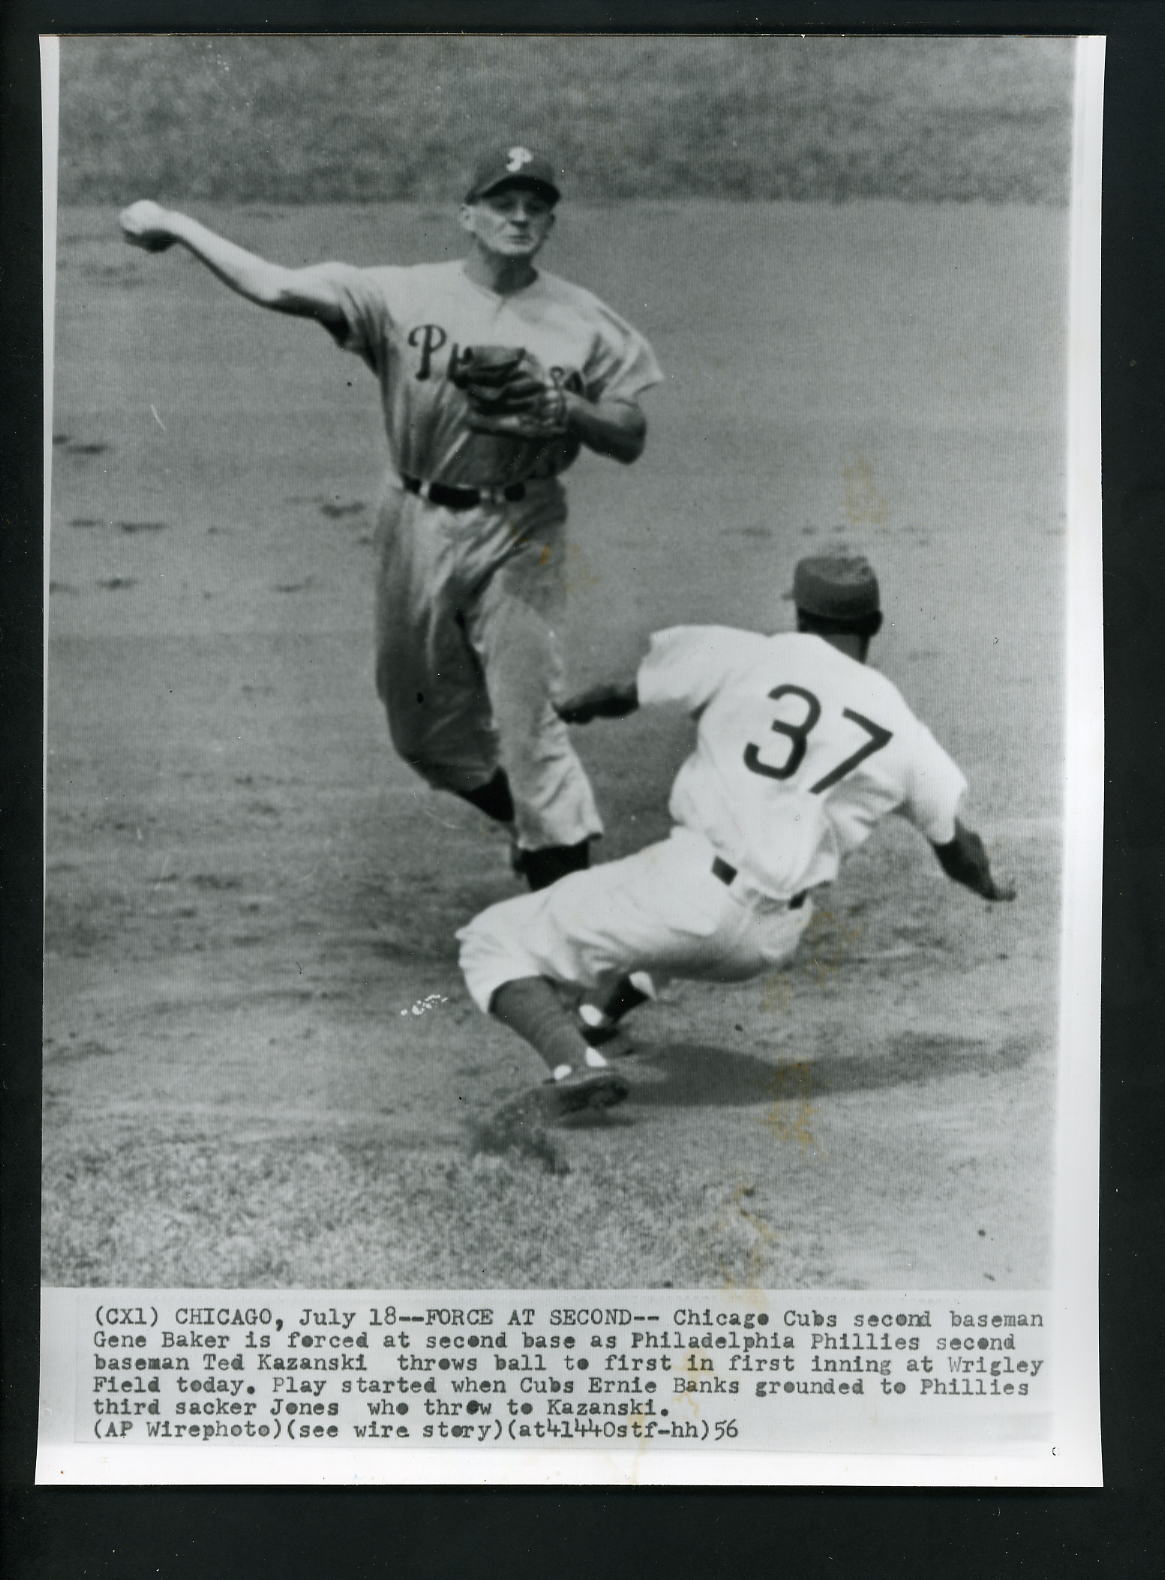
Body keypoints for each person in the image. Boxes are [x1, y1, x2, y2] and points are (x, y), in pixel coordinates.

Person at [119, 146, 662, 890]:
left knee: (531, 729)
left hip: (524, 530)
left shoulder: (584, 319)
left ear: (550, 222)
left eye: (535, 206)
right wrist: (179, 225)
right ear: (467, 217)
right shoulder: (399, 296)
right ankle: (525, 821)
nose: (519, 217)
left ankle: (567, 917)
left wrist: (567, 408)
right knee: (422, 738)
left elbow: (629, 435)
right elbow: (276, 287)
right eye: (502, 203)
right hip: (414, 521)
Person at [456, 552, 1016, 1119]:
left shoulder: (749, 653)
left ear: (800, 615)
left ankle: (575, 1064)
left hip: (694, 895)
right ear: (874, 625)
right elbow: (958, 850)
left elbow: (625, 691)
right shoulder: (902, 728)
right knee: (666, 934)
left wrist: (580, 707)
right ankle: (597, 1020)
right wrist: (990, 884)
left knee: (492, 939)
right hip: (773, 938)